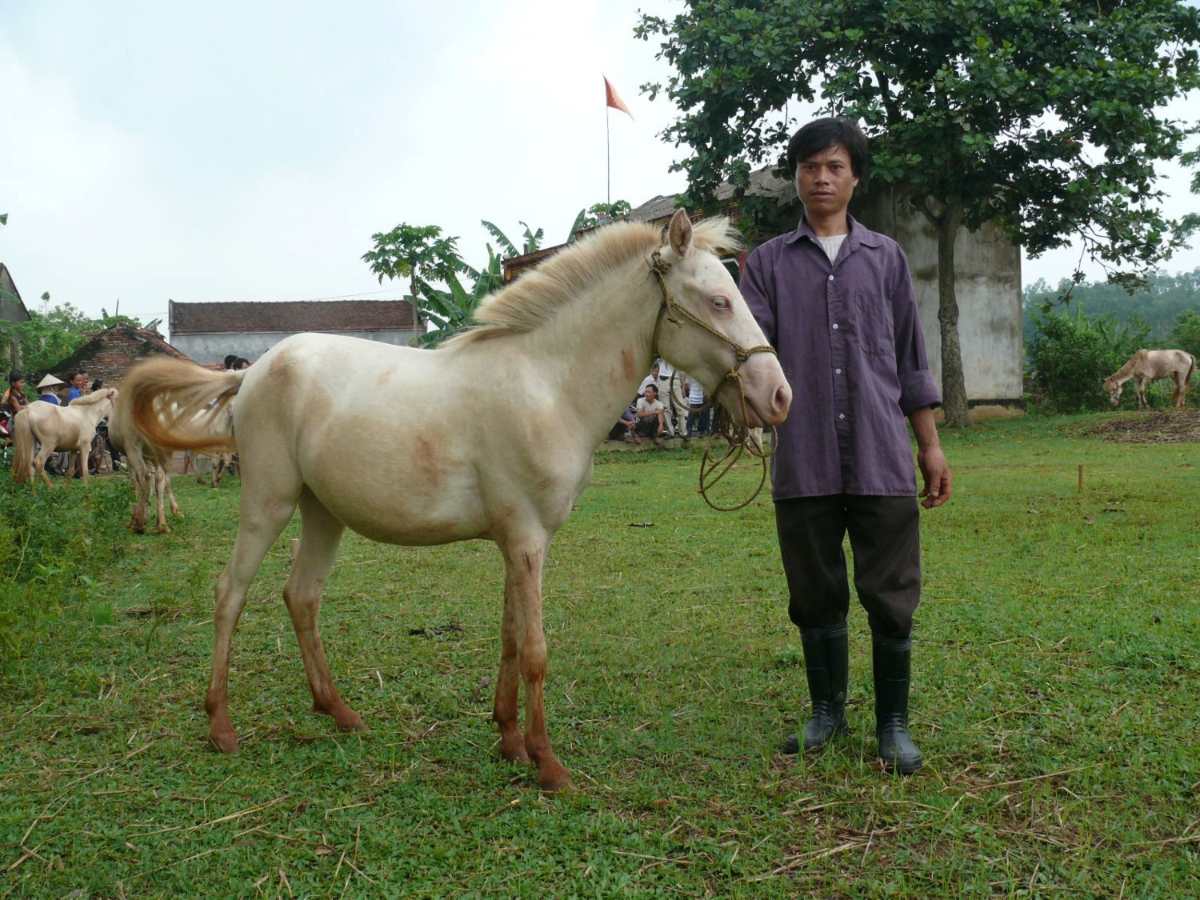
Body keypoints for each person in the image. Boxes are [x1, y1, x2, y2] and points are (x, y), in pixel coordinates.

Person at [741, 117, 952, 775]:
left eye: (835, 167)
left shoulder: (885, 258)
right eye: (810, 167)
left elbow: (912, 362)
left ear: (856, 177)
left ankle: (893, 725)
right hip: (802, 458)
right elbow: (746, 355)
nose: (822, 178)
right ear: (795, 178)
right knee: (814, 592)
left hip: (882, 454)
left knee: (892, 591)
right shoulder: (769, 263)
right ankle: (826, 713)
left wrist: (931, 448)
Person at [683, 373, 710, 439]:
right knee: (691, 417)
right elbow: (686, 384)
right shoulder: (690, 375)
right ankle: (688, 434)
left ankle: (702, 432)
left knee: (704, 415)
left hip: (703, 397)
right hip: (694, 397)